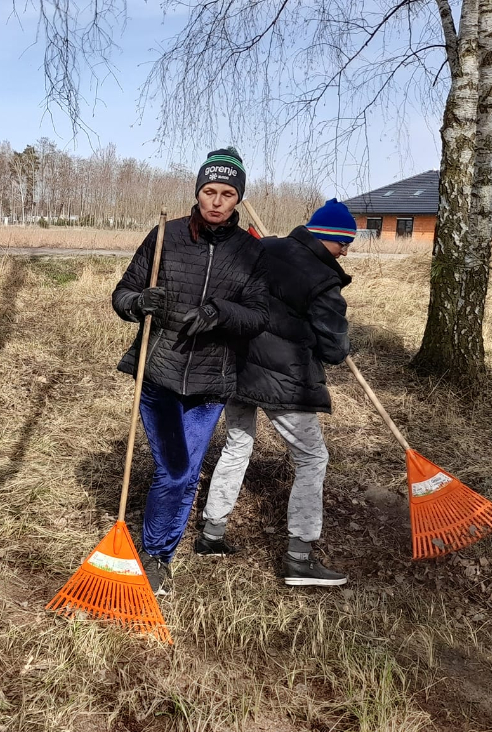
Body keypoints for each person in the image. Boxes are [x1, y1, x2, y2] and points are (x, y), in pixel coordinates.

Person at [111, 147, 270, 597]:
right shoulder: (166, 236)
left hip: (210, 382)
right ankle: (156, 550)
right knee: (176, 470)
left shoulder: (250, 252)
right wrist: (138, 303)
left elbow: (259, 315)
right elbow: (122, 293)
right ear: (197, 192)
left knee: (181, 473)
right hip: (158, 373)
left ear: (237, 198)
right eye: (208, 191)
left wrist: (221, 313)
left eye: (226, 193)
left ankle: (158, 554)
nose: (216, 201)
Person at [199, 198, 357, 587]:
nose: (346, 252)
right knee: (312, 458)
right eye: (344, 244)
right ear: (328, 238)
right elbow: (335, 351)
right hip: (286, 380)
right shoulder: (324, 281)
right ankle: (300, 558)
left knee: (238, 444)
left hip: (237, 366)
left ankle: (211, 534)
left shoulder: (264, 247)